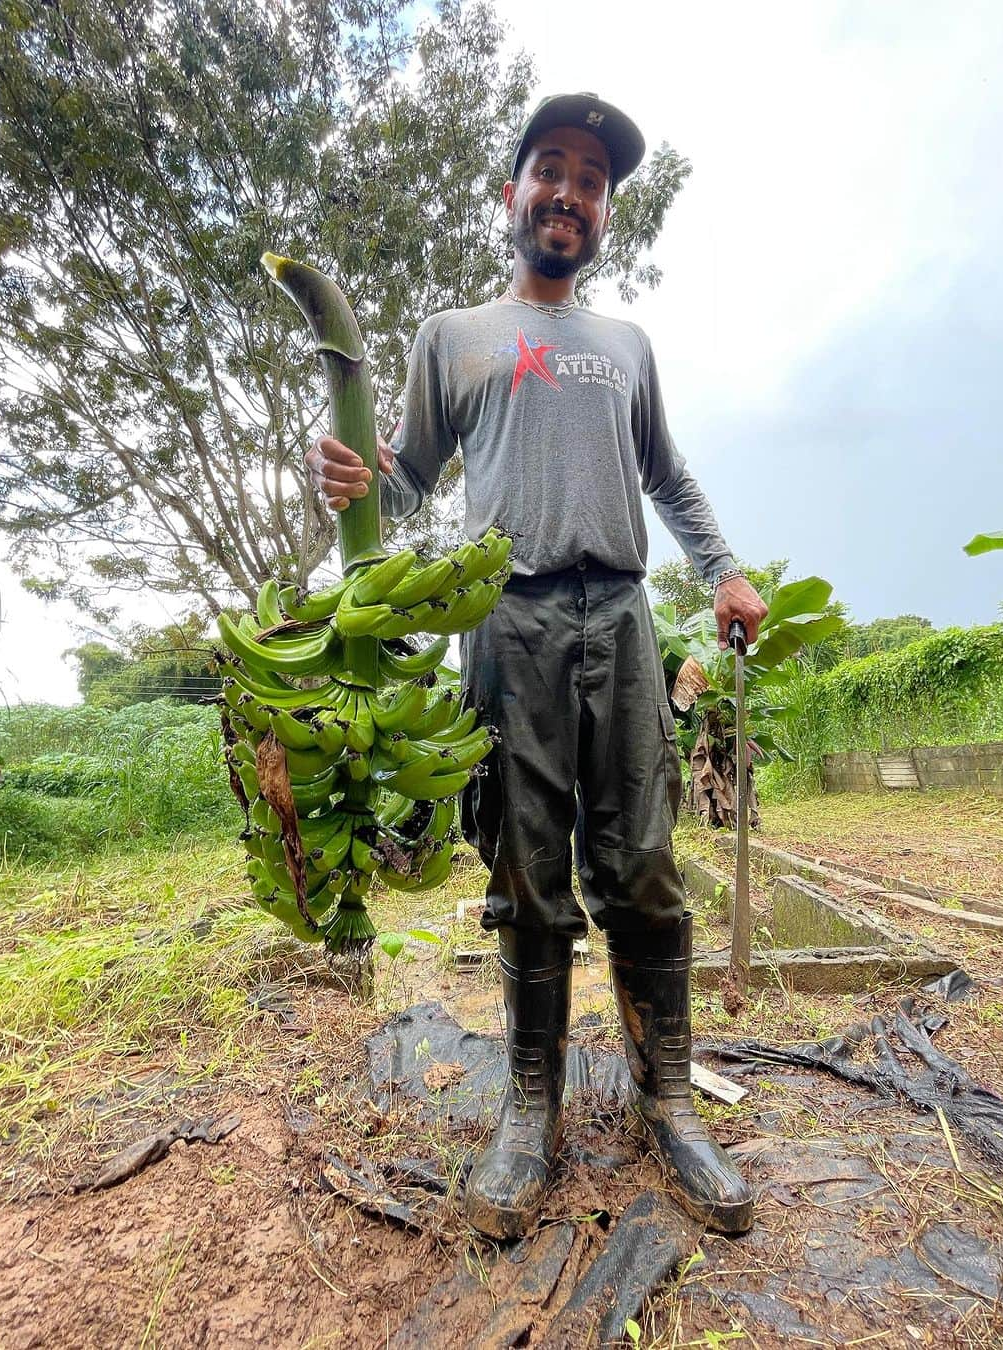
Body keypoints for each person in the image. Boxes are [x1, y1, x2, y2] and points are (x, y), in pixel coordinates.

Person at [305, 93, 768, 1240]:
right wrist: (356, 481)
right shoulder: (453, 336)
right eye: (550, 169)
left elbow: (669, 476)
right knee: (524, 867)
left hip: (619, 616)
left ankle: (669, 1101)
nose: (570, 191)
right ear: (511, 192)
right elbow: (406, 476)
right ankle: (530, 1110)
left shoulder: (626, 348)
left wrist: (725, 568)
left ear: (604, 211)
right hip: (503, 622)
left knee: (644, 867)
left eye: (593, 180)